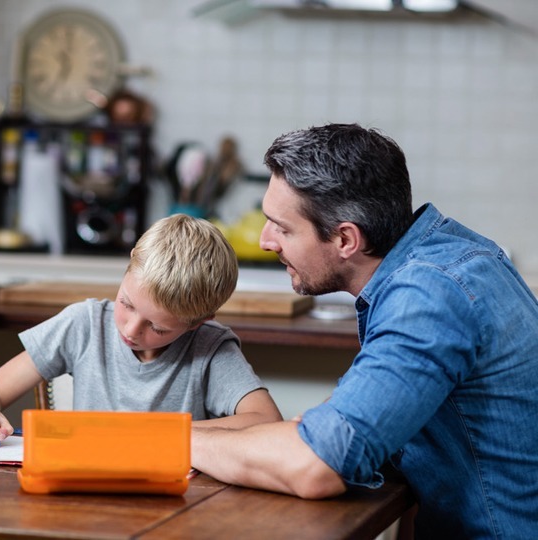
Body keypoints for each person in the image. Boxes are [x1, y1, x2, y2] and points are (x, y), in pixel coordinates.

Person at [191, 123, 538, 538]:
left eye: (282, 227)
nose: (266, 241)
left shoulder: (428, 297)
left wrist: (169, 442)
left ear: (345, 239)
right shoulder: (450, 254)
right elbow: (340, 432)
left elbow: (316, 466)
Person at [0, 214, 282, 446]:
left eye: (157, 327)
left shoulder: (210, 348)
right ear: (129, 265)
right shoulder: (83, 324)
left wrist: (156, 433)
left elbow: (265, 421)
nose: (130, 329)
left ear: (199, 322)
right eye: (126, 303)